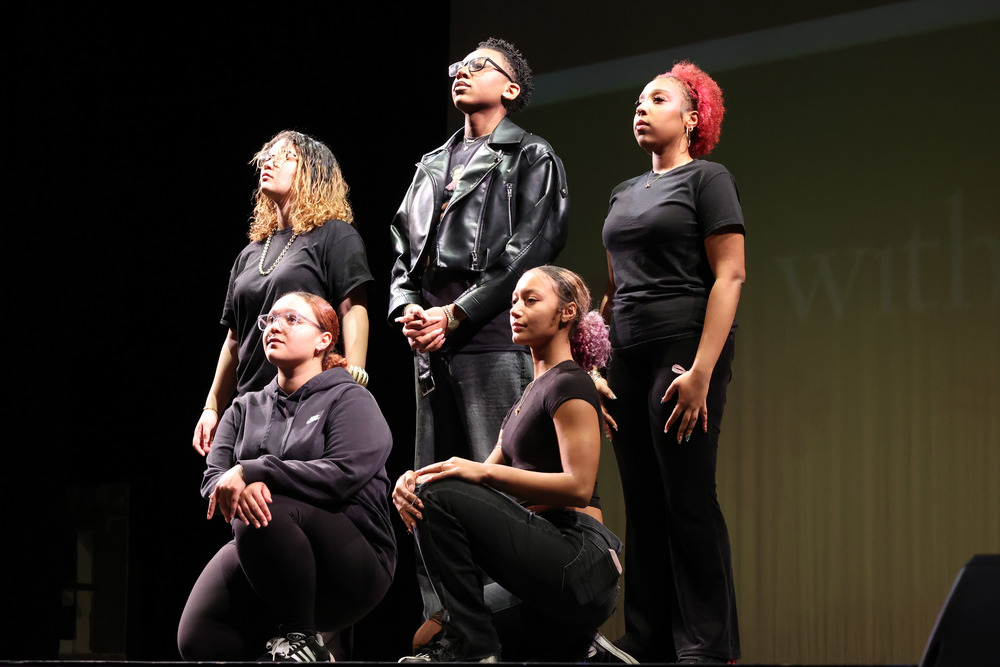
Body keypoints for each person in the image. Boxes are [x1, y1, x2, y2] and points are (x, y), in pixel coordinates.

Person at [388, 37, 570, 645]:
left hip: (490, 340)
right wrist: (409, 309)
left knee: (500, 490)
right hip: (431, 347)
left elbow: (531, 249)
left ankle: (507, 630)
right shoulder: (430, 164)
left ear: (511, 89)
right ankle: (449, 628)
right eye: (457, 66)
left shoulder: (532, 155)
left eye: (478, 66)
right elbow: (401, 251)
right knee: (430, 491)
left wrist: (458, 313)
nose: (462, 73)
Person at [392, 266, 621, 663]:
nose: (515, 309)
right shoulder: (528, 395)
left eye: (530, 300)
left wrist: (475, 474)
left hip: (579, 556)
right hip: (539, 566)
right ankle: (577, 646)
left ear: (567, 312)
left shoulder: (571, 382)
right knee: (427, 637)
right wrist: (412, 483)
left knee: (438, 496)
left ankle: (477, 649)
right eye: (513, 300)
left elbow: (579, 486)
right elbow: (470, 487)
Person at [595, 60, 745, 664]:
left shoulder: (708, 178)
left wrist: (703, 371)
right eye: (638, 100)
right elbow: (613, 292)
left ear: (691, 119)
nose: (641, 107)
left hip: (684, 348)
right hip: (626, 354)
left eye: (658, 99)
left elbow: (730, 276)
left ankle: (706, 643)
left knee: (687, 494)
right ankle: (647, 637)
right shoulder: (622, 192)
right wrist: (596, 362)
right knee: (642, 498)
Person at [178, 292, 396, 662]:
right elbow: (214, 477)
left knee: (263, 505)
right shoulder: (243, 408)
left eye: (291, 319)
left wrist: (254, 471)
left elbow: (343, 473)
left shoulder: (350, 398)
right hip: (271, 553)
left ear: (323, 340)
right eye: (269, 320)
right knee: (198, 638)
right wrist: (238, 485)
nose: (274, 327)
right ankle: (284, 652)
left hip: (353, 560)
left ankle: (305, 639)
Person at [193, 130, 373, 456]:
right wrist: (212, 407)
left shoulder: (334, 235)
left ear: (311, 172)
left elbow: (353, 308)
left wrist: (353, 378)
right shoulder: (250, 254)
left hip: (305, 400)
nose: (269, 162)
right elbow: (234, 339)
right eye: (267, 156)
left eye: (285, 156)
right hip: (250, 405)